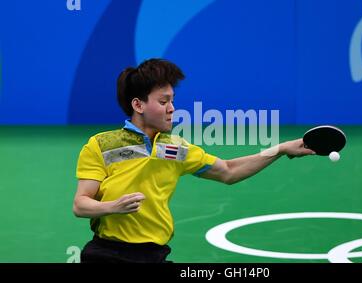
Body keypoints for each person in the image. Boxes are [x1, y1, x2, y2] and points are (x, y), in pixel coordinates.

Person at [73, 58, 315, 263]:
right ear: (138, 104)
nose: (172, 108)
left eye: (172, 101)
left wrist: (280, 149)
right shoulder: (102, 145)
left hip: (153, 254)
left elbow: (228, 171)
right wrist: (113, 207)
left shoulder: (175, 148)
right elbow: (81, 204)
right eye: (163, 101)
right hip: (107, 253)